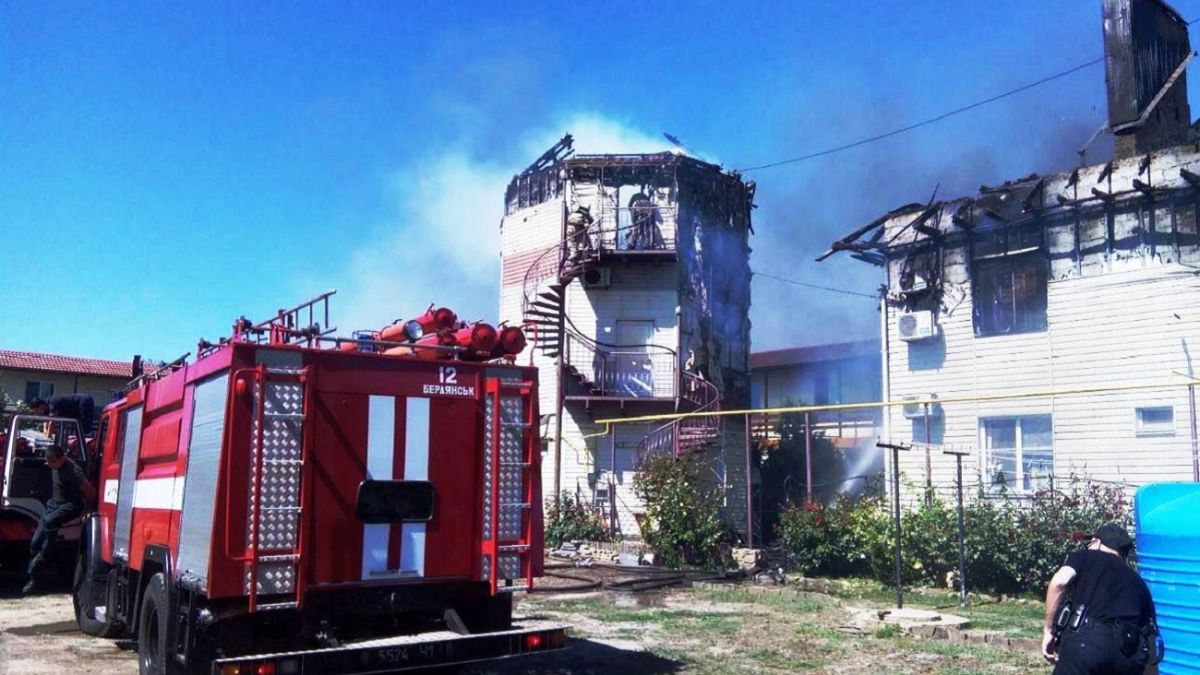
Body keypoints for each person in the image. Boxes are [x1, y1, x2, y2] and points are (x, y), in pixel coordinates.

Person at [1042, 524, 1158, 674]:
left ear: (1096, 542)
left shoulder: (1085, 556)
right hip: (1129, 655)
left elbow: (1060, 582)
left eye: (1090, 543)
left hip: (1088, 644)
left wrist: (1049, 630)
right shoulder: (1139, 582)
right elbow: (1151, 637)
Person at [24, 444, 95, 594]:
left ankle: (45, 555)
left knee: (50, 523)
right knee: (35, 542)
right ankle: (35, 578)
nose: (50, 465)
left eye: (52, 462)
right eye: (48, 462)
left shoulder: (73, 471)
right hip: (53, 505)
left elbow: (90, 492)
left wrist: (88, 509)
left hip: (70, 505)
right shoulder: (54, 464)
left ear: (62, 458)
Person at [29, 393, 96, 435]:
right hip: (73, 410)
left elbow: (51, 422)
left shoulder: (52, 403)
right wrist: (45, 433)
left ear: (41, 406)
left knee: (84, 429)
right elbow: (45, 421)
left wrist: (48, 436)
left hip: (83, 402)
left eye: (37, 411)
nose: (38, 413)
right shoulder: (45, 408)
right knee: (77, 428)